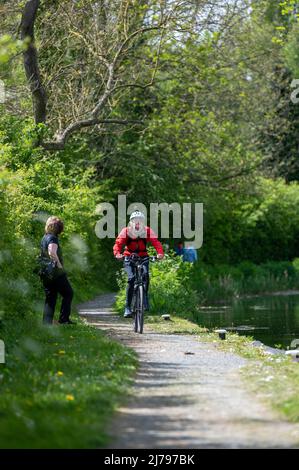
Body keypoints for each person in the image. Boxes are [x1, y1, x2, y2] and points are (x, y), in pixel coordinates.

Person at [113, 211, 164, 318]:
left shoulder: (147, 230)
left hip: (143, 257)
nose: (137, 223)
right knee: (131, 279)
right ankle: (127, 307)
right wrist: (117, 254)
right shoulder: (126, 231)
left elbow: (156, 242)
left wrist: (160, 253)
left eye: (140, 220)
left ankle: (144, 299)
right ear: (131, 222)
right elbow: (118, 244)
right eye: (135, 220)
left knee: (145, 275)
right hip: (129, 258)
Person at [40, 216, 75, 325]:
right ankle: (64, 319)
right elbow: (51, 252)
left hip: (45, 272)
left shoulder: (44, 237)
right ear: (57, 228)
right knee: (68, 293)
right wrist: (60, 266)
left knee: (51, 297)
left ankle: (46, 324)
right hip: (55, 272)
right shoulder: (53, 238)